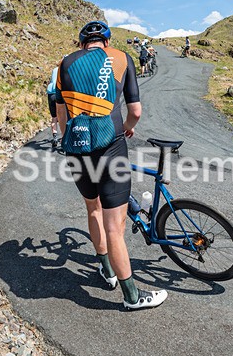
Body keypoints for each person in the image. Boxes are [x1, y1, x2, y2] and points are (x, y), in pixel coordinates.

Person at [56, 20, 167, 310]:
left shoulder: (64, 65)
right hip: (111, 148)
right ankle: (132, 296)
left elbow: (62, 119)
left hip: (78, 150)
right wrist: (128, 128)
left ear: (82, 43)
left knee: (92, 208)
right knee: (115, 227)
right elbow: (135, 111)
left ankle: (107, 270)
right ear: (106, 41)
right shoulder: (120, 57)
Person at [46, 65, 60, 149]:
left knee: (54, 117)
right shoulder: (65, 69)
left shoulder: (54, 69)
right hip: (59, 93)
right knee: (63, 116)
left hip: (51, 93)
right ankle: (65, 138)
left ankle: (55, 137)